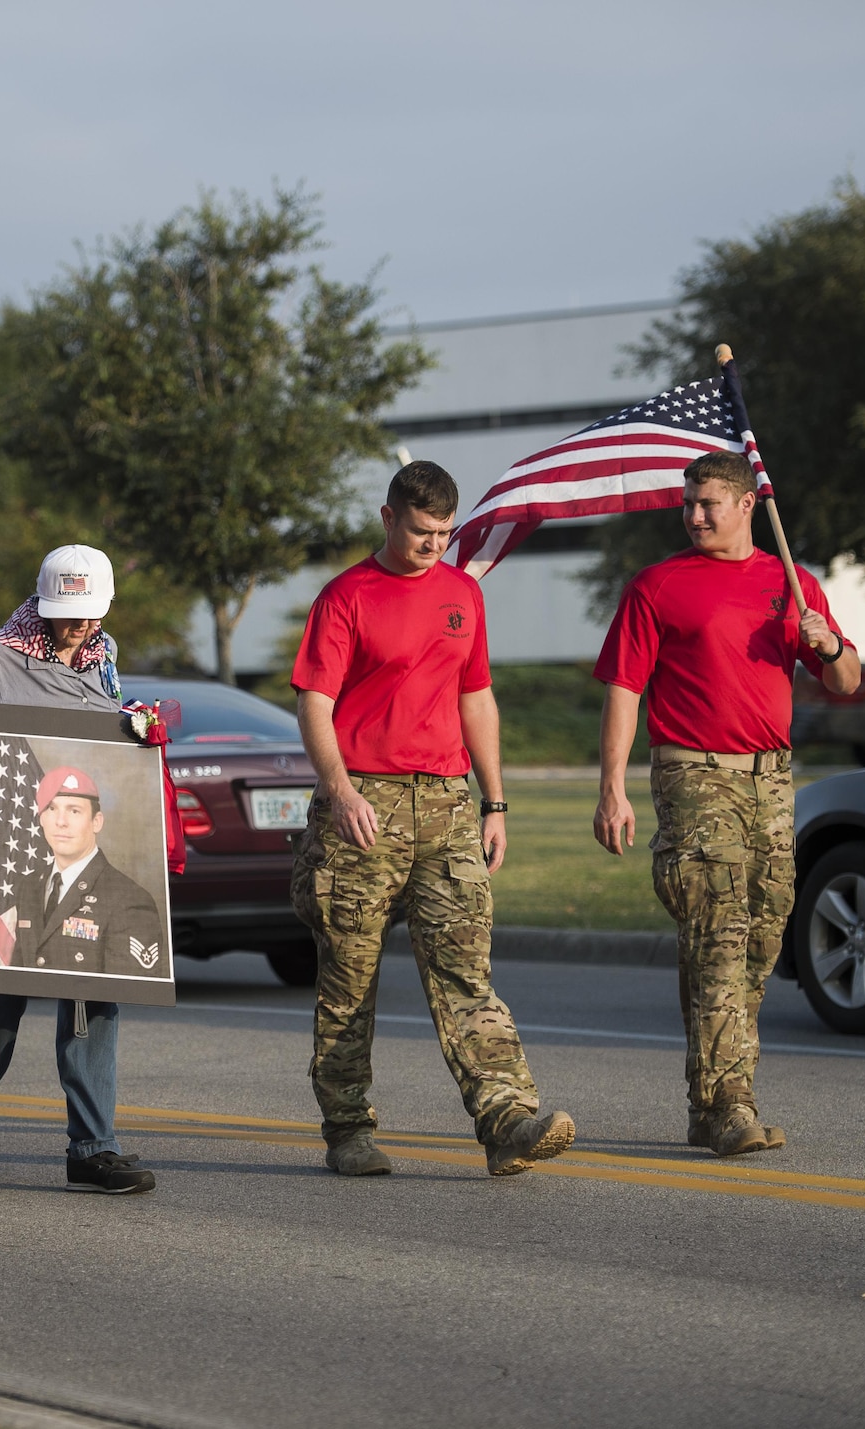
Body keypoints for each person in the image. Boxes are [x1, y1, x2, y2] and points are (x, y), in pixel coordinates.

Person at [290, 462, 576, 1178]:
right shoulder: (345, 597)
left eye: (445, 534)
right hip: (364, 807)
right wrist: (340, 789)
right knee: (350, 979)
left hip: (447, 803)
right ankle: (348, 1125)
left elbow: (476, 697)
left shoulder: (461, 595)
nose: (433, 546)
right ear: (389, 518)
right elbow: (315, 705)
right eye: (422, 532)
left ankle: (507, 1116)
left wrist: (496, 799)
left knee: (465, 971)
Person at [592, 450, 860, 1157]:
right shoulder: (657, 586)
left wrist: (827, 642)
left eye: (708, 502)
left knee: (764, 934)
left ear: (749, 505)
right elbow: (624, 687)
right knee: (718, 928)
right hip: (693, 771)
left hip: (770, 778)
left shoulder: (792, 583)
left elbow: (847, 680)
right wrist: (611, 786)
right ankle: (732, 1102)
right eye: (689, 503)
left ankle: (707, 1102)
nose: (694, 515)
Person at [0, 544, 159, 1195]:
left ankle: (92, 1145)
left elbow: (100, 746)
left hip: (83, 866)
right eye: (67, 615)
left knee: (94, 1002)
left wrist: (138, 734)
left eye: (88, 615)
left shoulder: (102, 660)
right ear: (41, 604)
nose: (78, 627)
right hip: (5, 861)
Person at [0, 767, 164, 976]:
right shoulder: (29, 886)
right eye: (52, 809)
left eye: (74, 811)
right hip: (38, 1008)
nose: (61, 822)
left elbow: (128, 988)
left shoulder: (129, 900)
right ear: (41, 819)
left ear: (96, 822)